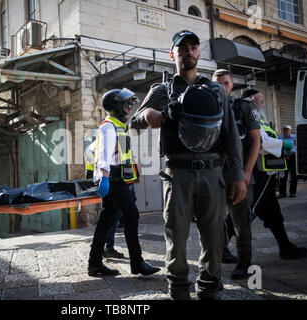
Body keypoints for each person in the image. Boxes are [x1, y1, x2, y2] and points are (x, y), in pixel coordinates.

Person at [130, 30, 246, 300]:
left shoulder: (216, 90)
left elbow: (230, 135)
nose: (189, 52)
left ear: (199, 53)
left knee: (215, 236)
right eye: (183, 48)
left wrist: (238, 175)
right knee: (177, 237)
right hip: (177, 174)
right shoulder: (161, 91)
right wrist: (146, 113)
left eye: (194, 47)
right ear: (173, 54)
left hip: (212, 172)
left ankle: (208, 287)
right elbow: (132, 124)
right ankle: (178, 288)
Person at [87, 88, 160, 277]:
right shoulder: (108, 126)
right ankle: (137, 263)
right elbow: (103, 155)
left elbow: (121, 154)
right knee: (132, 215)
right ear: (117, 107)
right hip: (112, 178)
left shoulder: (118, 125)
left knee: (107, 220)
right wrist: (104, 178)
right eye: (126, 106)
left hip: (118, 178)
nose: (129, 110)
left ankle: (94, 264)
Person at [243, 89, 307, 260]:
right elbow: (262, 143)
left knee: (275, 216)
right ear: (252, 101)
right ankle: (220, 247)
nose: (263, 102)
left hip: (267, 173)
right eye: (261, 100)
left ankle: (285, 248)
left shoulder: (258, 117)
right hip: (260, 174)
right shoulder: (251, 116)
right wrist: (284, 144)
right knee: (248, 212)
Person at [212, 69, 261, 280]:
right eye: (217, 84)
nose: (221, 87)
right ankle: (221, 252)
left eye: (225, 83)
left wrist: (247, 172)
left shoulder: (242, 107)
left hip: (236, 172)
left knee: (241, 220)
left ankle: (244, 262)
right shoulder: (209, 107)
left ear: (232, 85)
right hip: (214, 173)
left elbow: (256, 140)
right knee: (213, 219)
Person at [85, 139, 126, 259]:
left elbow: (89, 171)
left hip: (100, 181)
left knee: (111, 215)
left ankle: (102, 245)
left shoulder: (92, 146)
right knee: (112, 215)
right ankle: (104, 246)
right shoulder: (104, 144)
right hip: (109, 181)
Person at [278, 124, 298, 198]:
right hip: (284, 157)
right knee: (283, 175)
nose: (286, 131)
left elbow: (297, 146)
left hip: (293, 157)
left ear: (290, 130)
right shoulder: (280, 137)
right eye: (285, 129)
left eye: (287, 129)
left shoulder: (294, 137)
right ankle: (282, 193)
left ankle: (293, 192)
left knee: (294, 175)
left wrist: (291, 151)